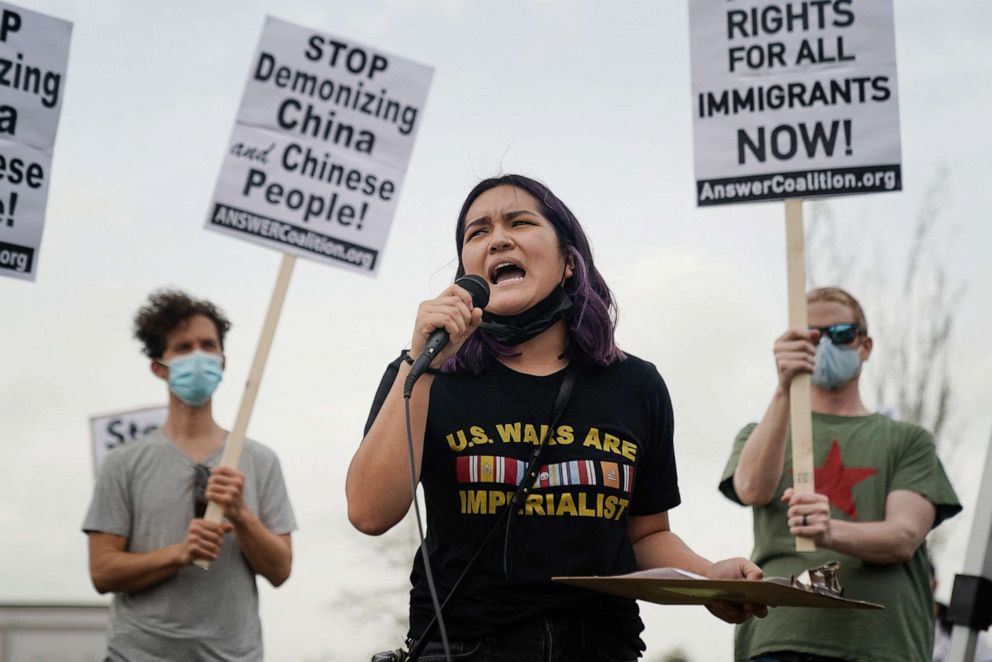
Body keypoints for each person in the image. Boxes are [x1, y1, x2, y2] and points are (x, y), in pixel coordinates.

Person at [348, 174, 765, 661]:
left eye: (520, 222)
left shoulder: (636, 385)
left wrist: (708, 577)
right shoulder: (424, 375)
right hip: (464, 647)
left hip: (600, 648)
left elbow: (646, 536)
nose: (498, 237)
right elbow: (369, 513)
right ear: (467, 271)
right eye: (477, 232)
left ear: (569, 262)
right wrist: (422, 368)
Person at [720, 287, 962, 662]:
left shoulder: (908, 440)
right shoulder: (762, 432)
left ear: (865, 346)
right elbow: (751, 488)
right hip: (782, 634)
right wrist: (785, 387)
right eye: (812, 336)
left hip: (881, 641)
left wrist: (830, 530)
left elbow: (903, 537)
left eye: (842, 334)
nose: (825, 345)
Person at [82, 290, 296, 661]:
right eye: (183, 347)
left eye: (208, 345)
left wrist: (242, 515)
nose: (198, 356)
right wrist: (180, 554)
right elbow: (103, 571)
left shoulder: (261, 460)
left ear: (223, 360)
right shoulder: (123, 462)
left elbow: (280, 569)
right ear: (158, 366)